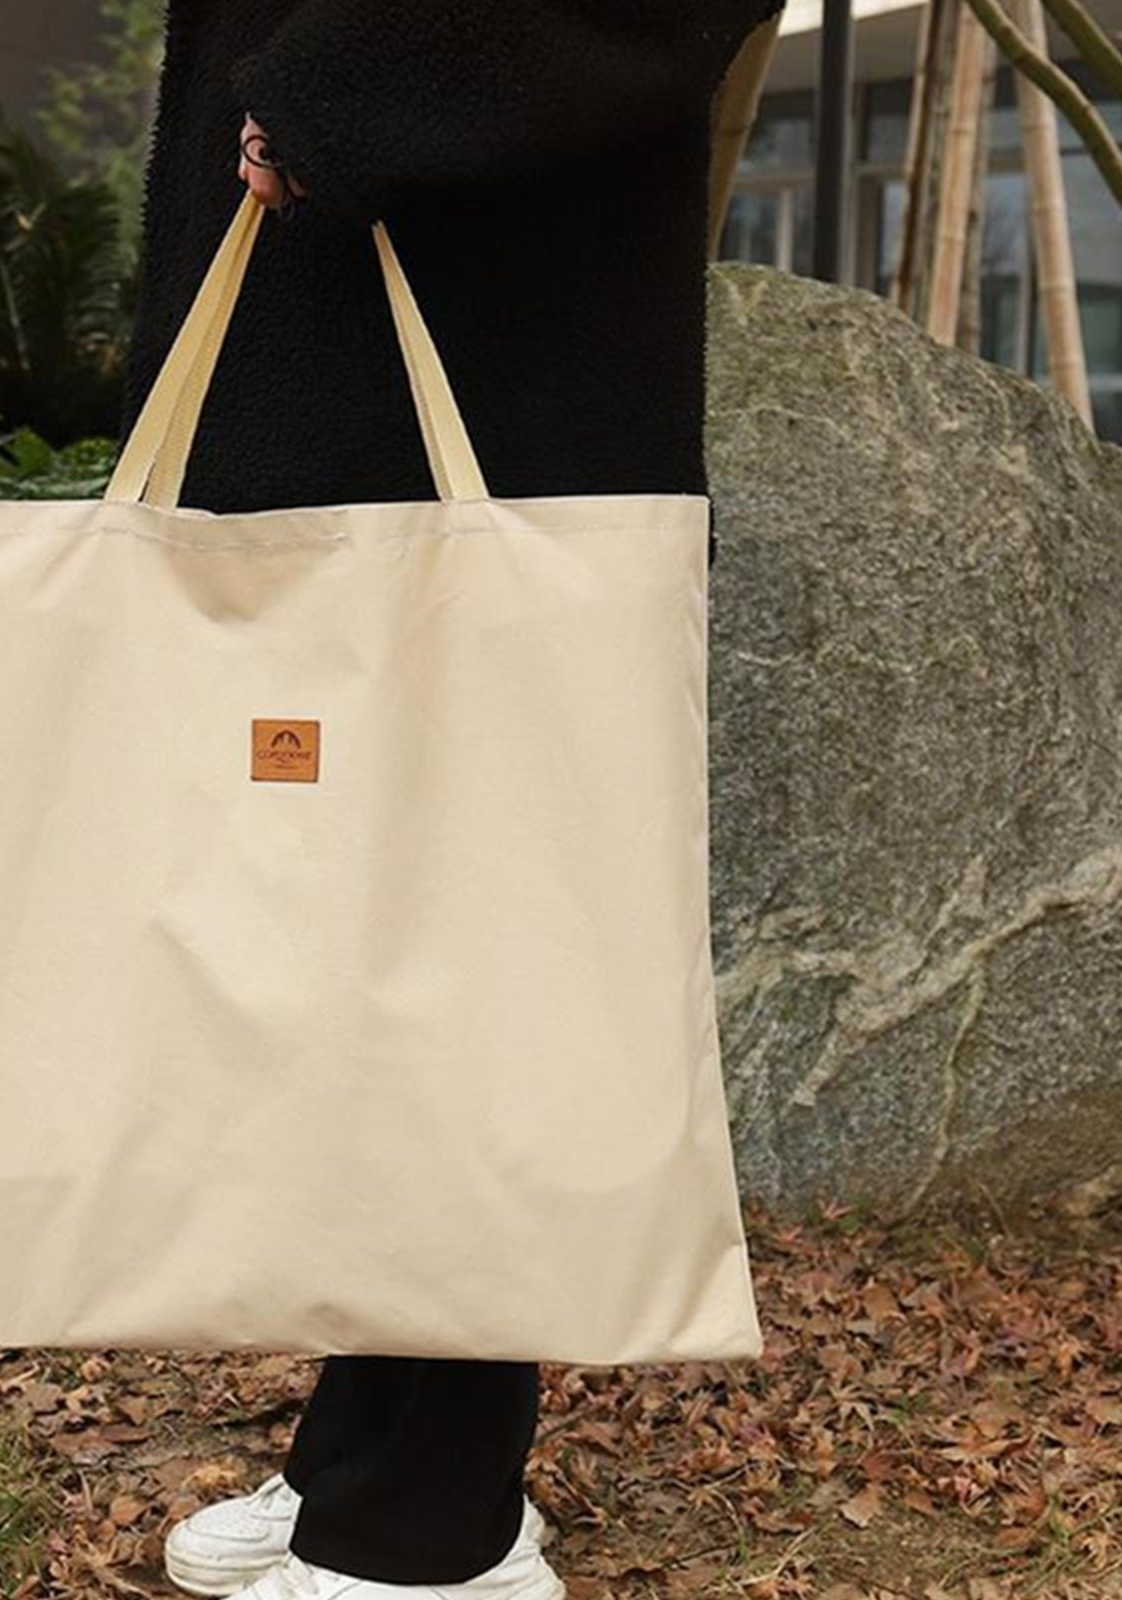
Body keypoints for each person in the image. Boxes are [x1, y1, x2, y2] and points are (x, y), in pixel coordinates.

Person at [116, 3, 786, 1596]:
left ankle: (436, 1526)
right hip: (335, 340)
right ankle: (369, 1452)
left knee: (475, 942)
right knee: (360, 957)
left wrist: (344, 95)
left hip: (495, 349)